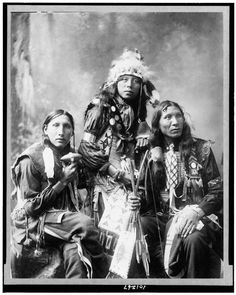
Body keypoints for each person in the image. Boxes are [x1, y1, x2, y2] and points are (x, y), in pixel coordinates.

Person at [78, 48, 165, 278]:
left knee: (133, 234)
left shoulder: (137, 116)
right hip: (103, 182)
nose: (129, 85)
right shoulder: (100, 107)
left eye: (135, 81)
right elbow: (86, 149)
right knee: (110, 235)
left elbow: (152, 138)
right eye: (123, 80)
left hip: (129, 183)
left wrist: (149, 138)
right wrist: (116, 174)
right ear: (114, 82)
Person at [10, 109, 110, 278]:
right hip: (36, 221)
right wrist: (62, 181)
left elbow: (89, 181)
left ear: (72, 132)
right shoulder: (30, 159)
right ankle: (107, 273)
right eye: (56, 125)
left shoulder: (71, 154)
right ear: (45, 129)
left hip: (62, 221)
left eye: (66, 126)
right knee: (85, 225)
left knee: (75, 251)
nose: (61, 131)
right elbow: (30, 208)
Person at [147, 100, 223, 278]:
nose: (175, 122)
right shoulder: (149, 154)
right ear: (158, 124)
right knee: (141, 227)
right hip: (162, 217)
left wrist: (197, 211)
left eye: (178, 116)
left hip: (196, 217)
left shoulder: (201, 149)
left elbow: (218, 190)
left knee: (194, 239)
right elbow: (145, 195)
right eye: (168, 117)